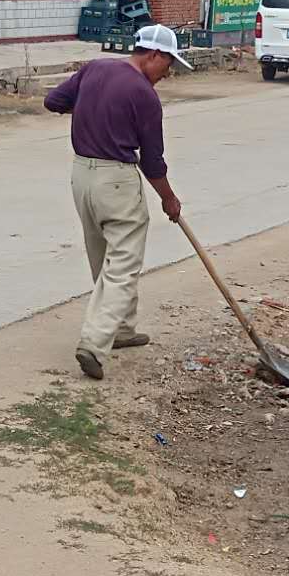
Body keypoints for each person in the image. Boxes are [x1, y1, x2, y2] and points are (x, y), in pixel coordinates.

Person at [44, 23, 189, 380]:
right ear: (154, 55)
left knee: (102, 255)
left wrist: (90, 110)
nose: (167, 74)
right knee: (122, 264)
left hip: (82, 177)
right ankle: (94, 343)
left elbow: (53, 101)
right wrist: (169, 199)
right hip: (118, 182)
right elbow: (153, 162)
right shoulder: (144, 95)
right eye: (168, 65)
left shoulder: (95, 68)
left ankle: (121, 329)